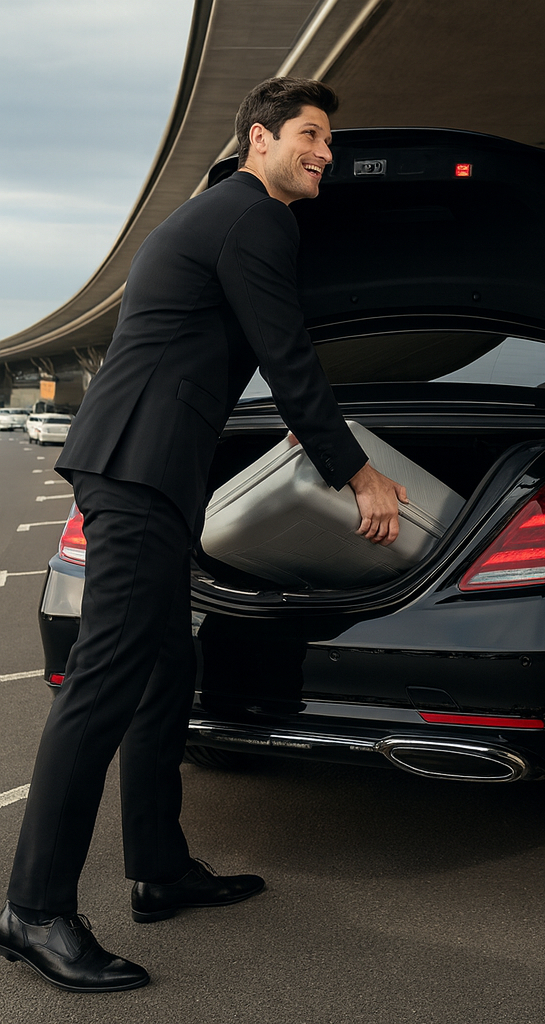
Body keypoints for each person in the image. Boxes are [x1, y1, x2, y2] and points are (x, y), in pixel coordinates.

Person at [0, 77, 406, 992]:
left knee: (162, 671)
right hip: (140, 470)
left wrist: (306, 427)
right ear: (258, 140)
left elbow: (233, 351)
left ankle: (158, 866)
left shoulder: (227, 215)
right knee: (104, 682)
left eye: (328, 141)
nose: (325, 154)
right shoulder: (255, 216)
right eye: (310, 135)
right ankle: (33, 910)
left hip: (150, 469)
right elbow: (286, 349)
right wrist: (357, 470)